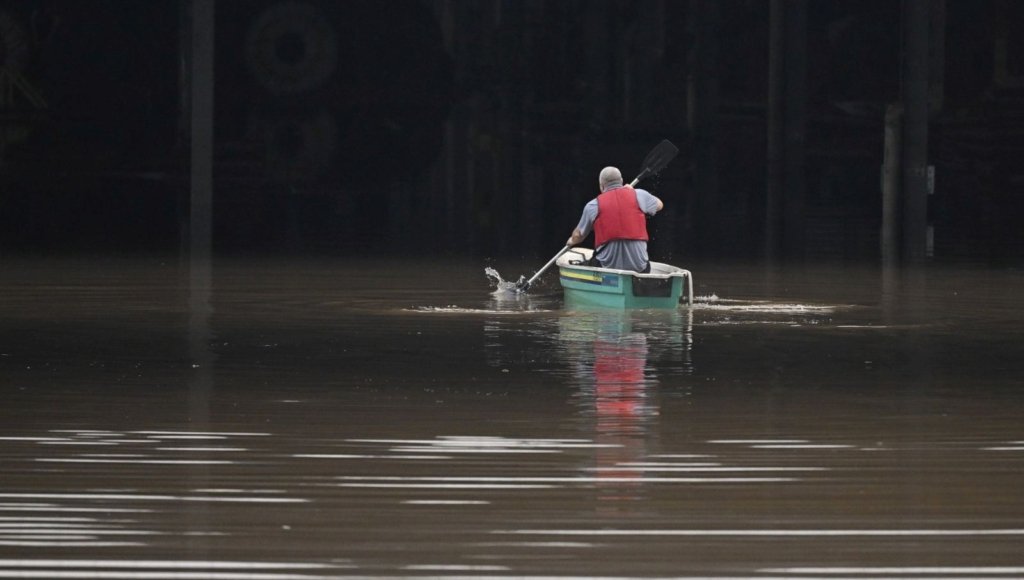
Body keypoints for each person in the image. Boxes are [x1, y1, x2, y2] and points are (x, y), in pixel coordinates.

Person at [567, 166, 664, 272]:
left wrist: (570, 241)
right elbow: (659, 205)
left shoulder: (593, 205)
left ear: (602, 186)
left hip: (607, 268)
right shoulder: (639, 194)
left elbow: (578, 236)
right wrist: (633, 191)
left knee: (589, 263)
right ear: (621, 181)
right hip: (640, 268)